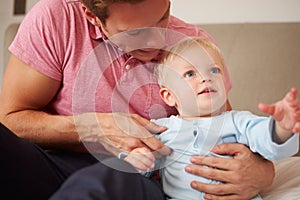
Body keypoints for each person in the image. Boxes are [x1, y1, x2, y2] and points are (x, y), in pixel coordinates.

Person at [0, 0, 275, 199]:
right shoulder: (57, 18)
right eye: (134, 33)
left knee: (108, 177)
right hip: (54, 164)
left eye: (162, 17)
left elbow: (226, 132)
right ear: (92, 16)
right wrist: (91, 128)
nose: (156, 41)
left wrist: (263, 172)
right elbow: (10, 119)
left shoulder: (192, 45)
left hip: (136, 177)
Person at [122, 37, 300, 200]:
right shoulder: (162, 129)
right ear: (169, 96)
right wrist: (137, 159)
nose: (206, 78)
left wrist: (283, 127)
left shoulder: (237, 121)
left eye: (214, 70)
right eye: (190, 74)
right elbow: (143, 162)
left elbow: (268, 140)